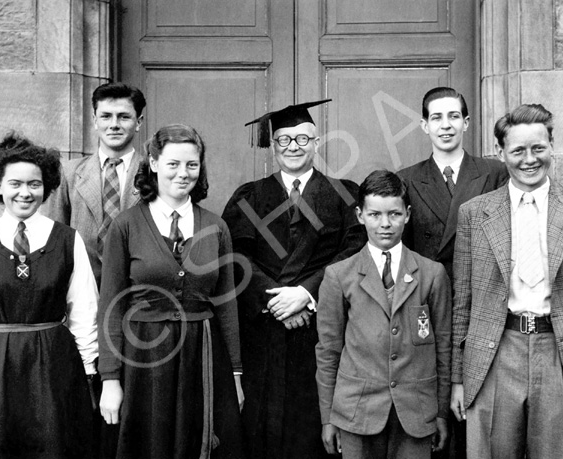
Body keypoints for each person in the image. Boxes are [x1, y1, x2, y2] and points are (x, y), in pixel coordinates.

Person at [450, 104, 563, 458]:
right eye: (518, 151)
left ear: (552, 146)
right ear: (501, 152)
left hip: (557, 351)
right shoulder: (475, 214)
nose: (529, 160)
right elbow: (462, 304)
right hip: (495, 351)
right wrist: (457, 378)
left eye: (538, 148)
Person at [221, 99, 365, 458]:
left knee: (314, 430)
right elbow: (235, 257)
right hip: (264, 331)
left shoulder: (344, 194)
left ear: (317, 142)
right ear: (273, 147)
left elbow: (352, 251)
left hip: (320, 329)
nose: (293, 148)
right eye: (284, 140)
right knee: (261, 429)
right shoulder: (250, 196)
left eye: (303, 139)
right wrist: (277, 300)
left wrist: (305, 292)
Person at [0, 133, 99, 458]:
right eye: (15, 183)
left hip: (55, 369)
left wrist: (87, 378)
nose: (25, 193)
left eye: (34, 184)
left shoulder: (68, 241)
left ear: (47, 187)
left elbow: (85, 314)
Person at [97, 124, 244, 459]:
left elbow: (226, 305)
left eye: (191, 165)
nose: (183, 173)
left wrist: (234, 374)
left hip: (202, 357)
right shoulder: (127, 225)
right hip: (143, 359)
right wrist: (110, 378)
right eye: (173, 164)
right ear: (153, 163)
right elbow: (111, 305)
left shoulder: (215, 227)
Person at [316, 170, 451, 458]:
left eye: (394, 214)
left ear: (408, 214)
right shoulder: (340, 275)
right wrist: (329, 417)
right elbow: (328, 351)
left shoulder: (431, 274)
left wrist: (440, 412)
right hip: (357, 412)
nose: (385, 224)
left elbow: (443, 348)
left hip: (416, 412)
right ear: (360, 215)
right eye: (375, 215)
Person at [397, 87, 508, 282]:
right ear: (425, 125)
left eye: (454, 116)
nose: (446, 125)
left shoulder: (495, 173)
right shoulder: (407, 179)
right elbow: (402, 251)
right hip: (429, 290)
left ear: (465, 123)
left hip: (481, 289)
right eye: (437, 118)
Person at [42, 82, 146, 286]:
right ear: (95, 120)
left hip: (138, 293)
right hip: (81, 290)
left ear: (139, 122)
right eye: (106, 116)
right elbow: (55, 239)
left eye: (124, 117)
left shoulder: (153, 173)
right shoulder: (69, 173)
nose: (114, 124)